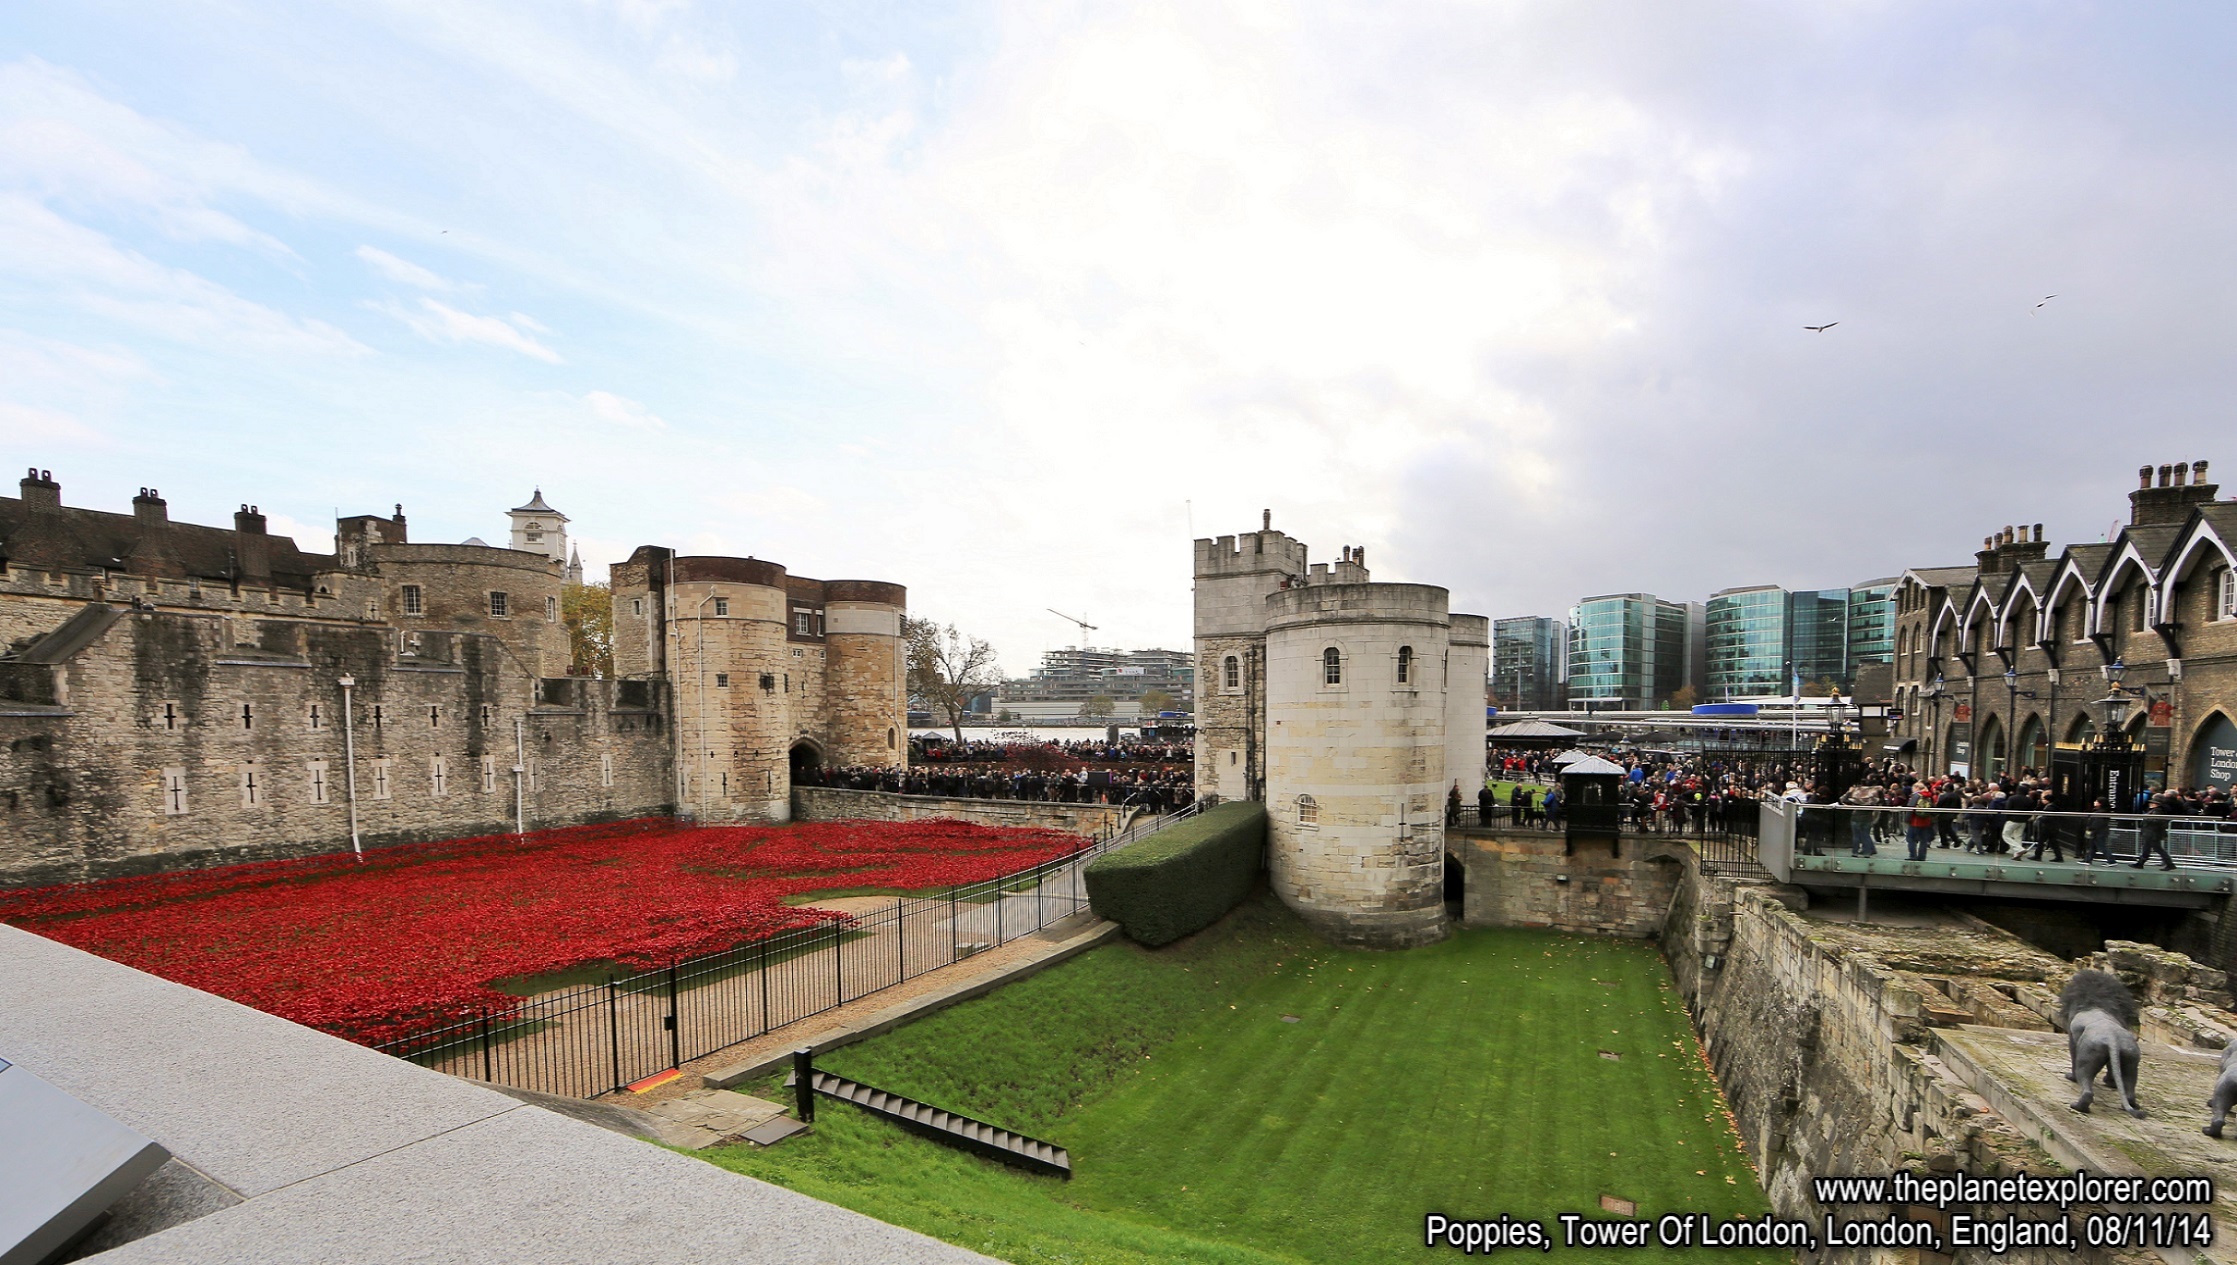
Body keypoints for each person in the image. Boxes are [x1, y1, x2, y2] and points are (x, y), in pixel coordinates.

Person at [2134, 793, 2177, 871]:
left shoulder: (2157, 811)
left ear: (2157, 804)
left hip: (2153, 833)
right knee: (2149, 848)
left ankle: (2170, 864)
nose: (2150, 804)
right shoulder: (2155, 810)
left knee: (2156, 849)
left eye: (2153, 803)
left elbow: (2157, 821)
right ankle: (2140, 863)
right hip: (2152, 833)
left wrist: (2147, 818)